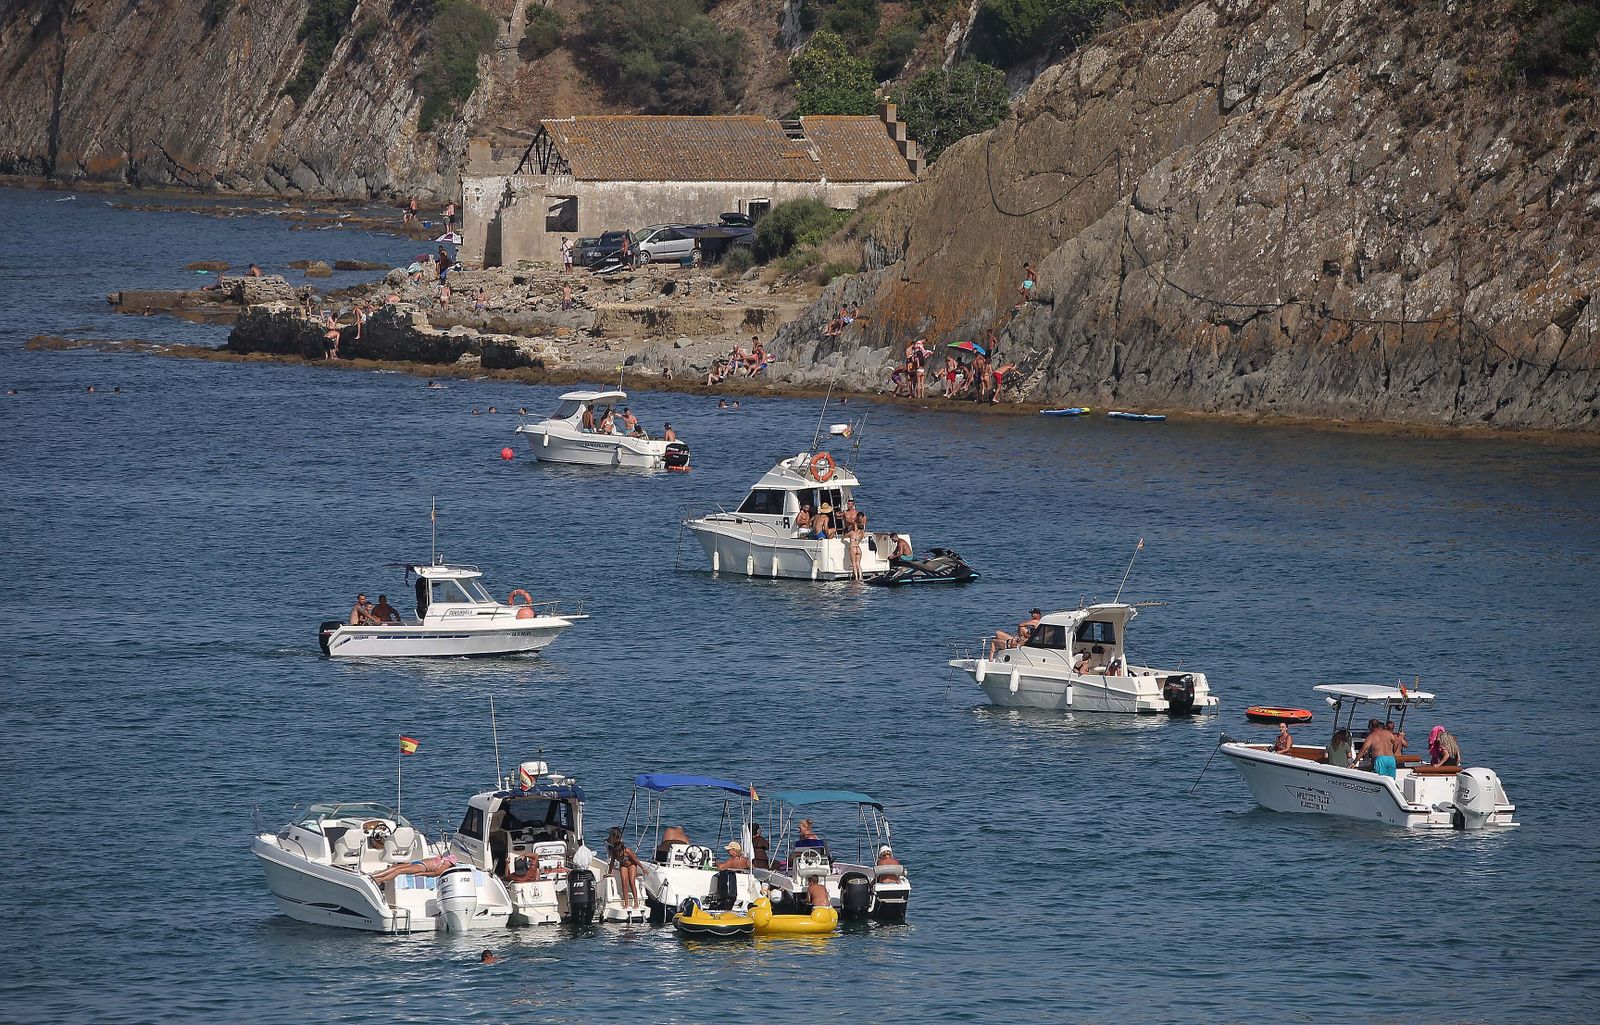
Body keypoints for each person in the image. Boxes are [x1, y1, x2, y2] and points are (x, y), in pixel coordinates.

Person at [605, 827, 643, 910]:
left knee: (631, 881)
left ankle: (636, 902)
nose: (619, 854)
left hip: (632, 864)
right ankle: (626, 903)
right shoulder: (614, 853)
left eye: (620, 853)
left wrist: (643, 869)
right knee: (624, 882)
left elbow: (636, 860)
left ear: (623, 850)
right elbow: (611, 863)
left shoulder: (627, 851)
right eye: (617, 853)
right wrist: (609, 872)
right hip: (623, 865)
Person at [369, 851, 458, 885]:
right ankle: (374, 875)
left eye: (448, 859)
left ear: (450, 863)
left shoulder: (445, 867)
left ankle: (379, 880)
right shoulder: (444, 860)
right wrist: (440, 857)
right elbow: (441, 855)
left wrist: (421, 873)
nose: (447, 858)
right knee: (395, 866)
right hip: (418, 862)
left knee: (398, 870)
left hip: (422, 867)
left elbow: (434, 874)